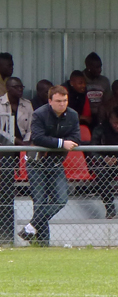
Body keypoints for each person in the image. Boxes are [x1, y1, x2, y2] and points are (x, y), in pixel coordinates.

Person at [17, 85, 80, 247]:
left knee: (60, 200)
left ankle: (30, 228)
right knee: (40, 202)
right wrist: (61, 143)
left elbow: (75, 138)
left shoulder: (72, 115)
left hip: (55, 163)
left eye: (65, 100)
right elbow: (38, 138)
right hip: (36, 163)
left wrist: (56, 144)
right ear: (50, 101)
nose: (62, 104)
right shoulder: (39, 114)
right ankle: (43, 244)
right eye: (58, 101)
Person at [0, 77, 33, 244]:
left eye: (22, 86)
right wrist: (17, 142)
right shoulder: (0, 103)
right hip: (4, 147)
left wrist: (26, 142)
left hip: (23, 145)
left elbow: (32, 126)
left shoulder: (27, 104)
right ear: (8, 88)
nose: (20, 90)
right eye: (16, 87)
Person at [83, 52, 111, 124]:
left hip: (100, 115)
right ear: (88, 66)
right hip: (84, 115)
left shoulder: (104, 81)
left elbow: (107, 102)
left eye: (100, 67)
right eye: (97, 67)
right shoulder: (80, 79)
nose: (100, 70)